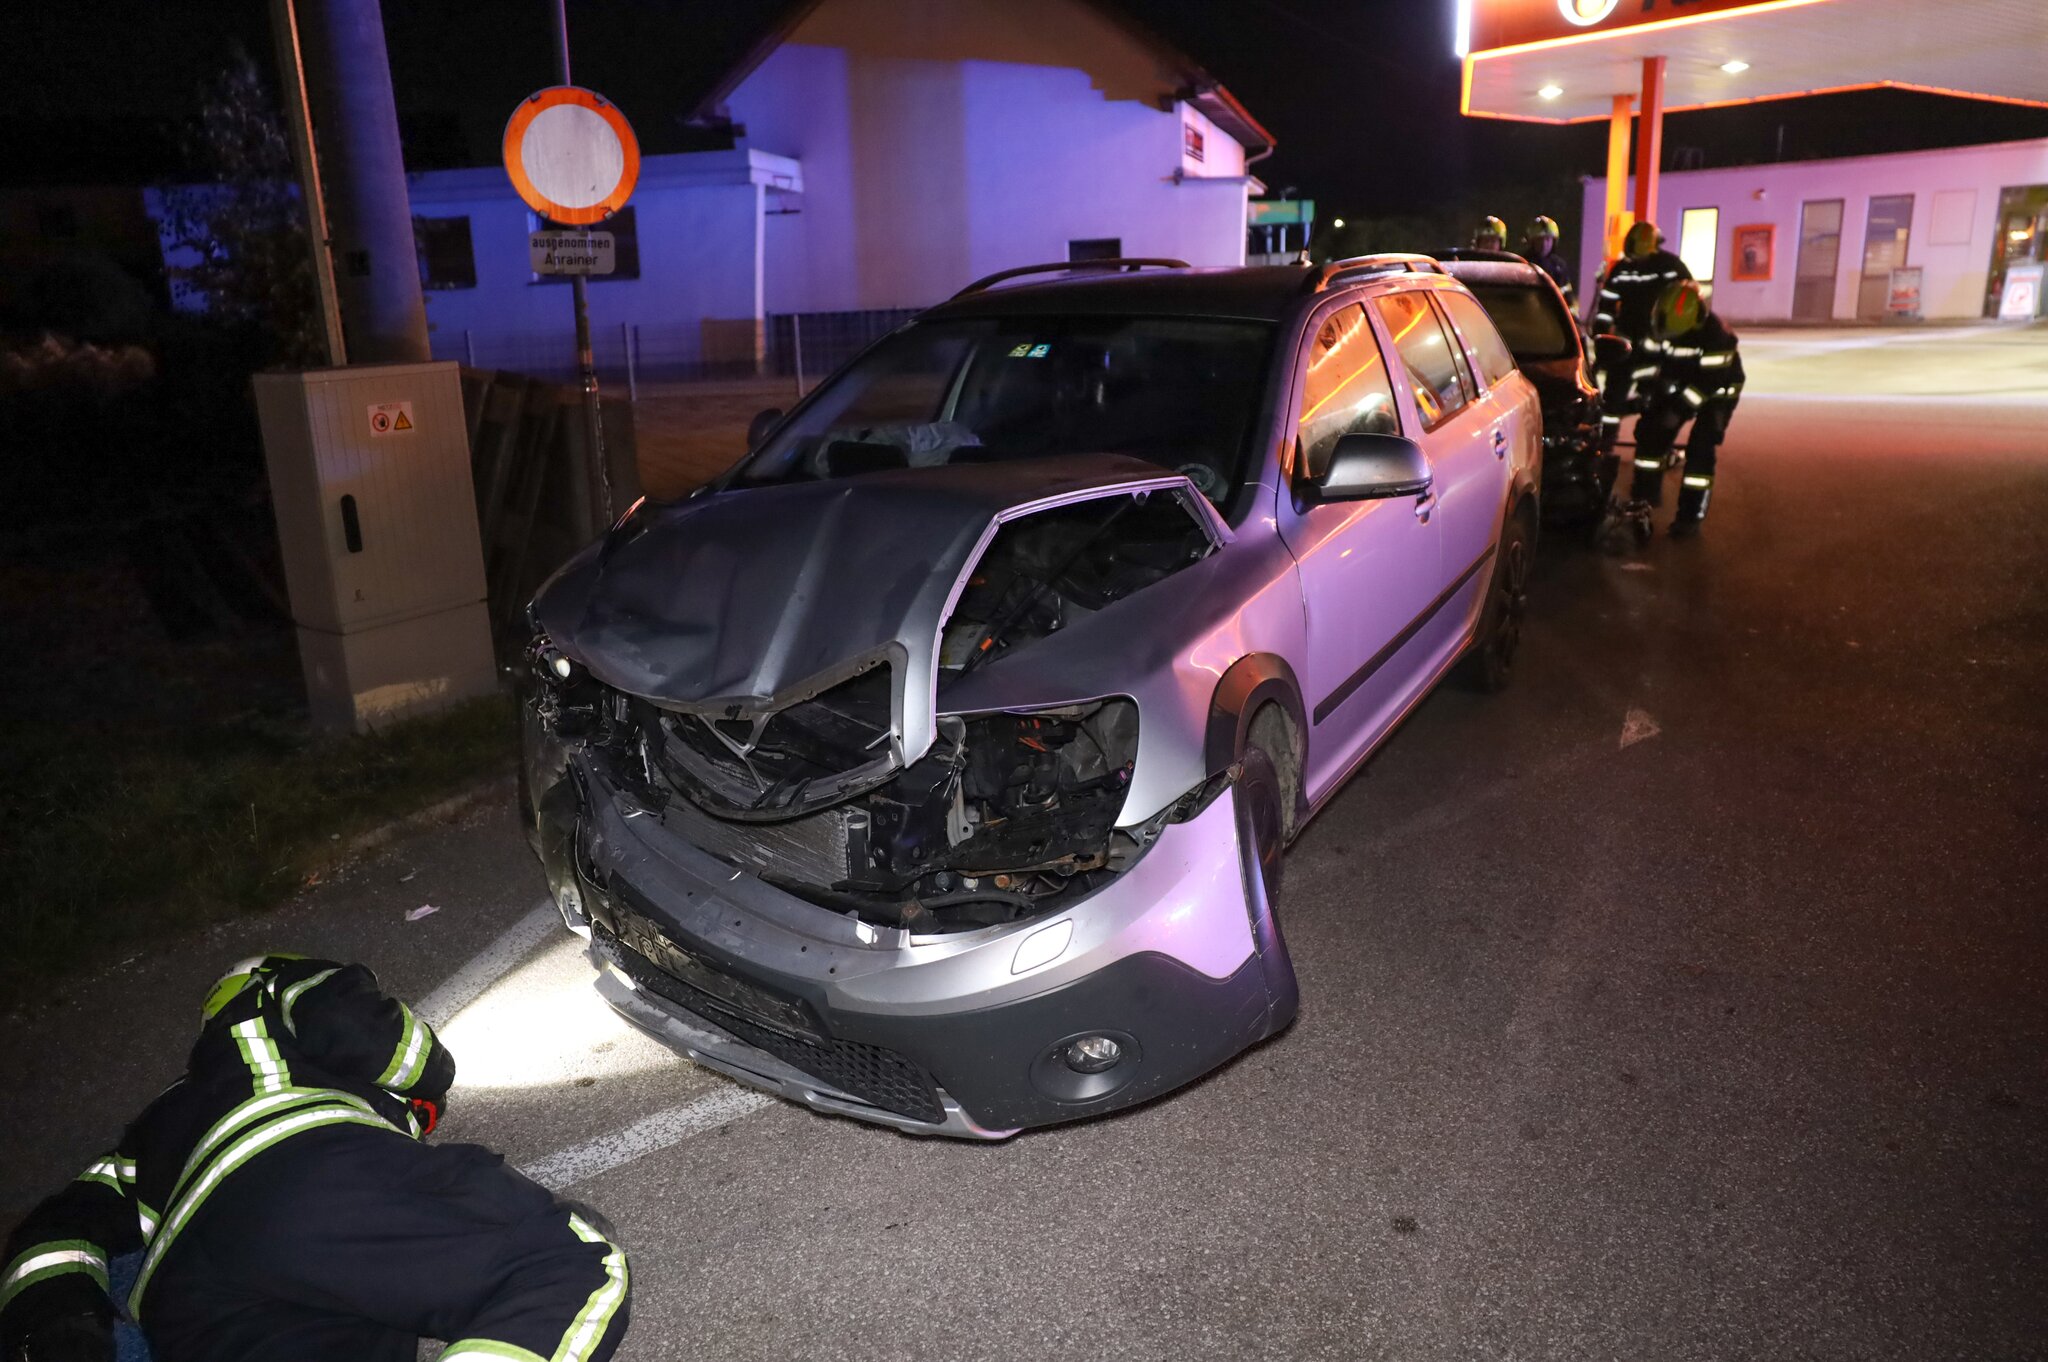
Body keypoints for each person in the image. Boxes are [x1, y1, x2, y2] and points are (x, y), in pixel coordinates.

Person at [1, 954, 630, 1362]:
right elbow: (392, 1047)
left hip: (188, 1296)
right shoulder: (262, 1002)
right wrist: (429, 1081)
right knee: (567, 1264)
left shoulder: (154, 1124)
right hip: (307, 1176)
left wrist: (58, 1326)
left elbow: (56, 1228)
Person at [1627, 279, 1744, 535]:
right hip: (1678, 383)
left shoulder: (1717, 337)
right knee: (1651, 432)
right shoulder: (1659, 325)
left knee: (1701, 445)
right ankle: (1644, 498)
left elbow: (1707, 384)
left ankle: (1690, 517)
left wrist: (1677, 411)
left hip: (1718, 392)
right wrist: (1647, 395)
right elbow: (1644, 364)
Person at [1588, 221, 1694, 488]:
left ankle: (1657, 448)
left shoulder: (1671, 267)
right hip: (1626, 346)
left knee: (1658, 402)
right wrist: (1602, 337)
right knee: (1612, 401)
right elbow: (1606, 307)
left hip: (1659, 348)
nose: (1634, 260)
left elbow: (1688, 299)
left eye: (1639, 255)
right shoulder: (1621, 269)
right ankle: (1604, 446)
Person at [1521, 215, 1575, 310]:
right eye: (1540, 239)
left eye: (1548, 239)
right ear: (1532, 241)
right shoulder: (1522, 263)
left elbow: (1568, 300)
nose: (1544, 244)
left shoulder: (1559, 266)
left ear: (1554, 241)